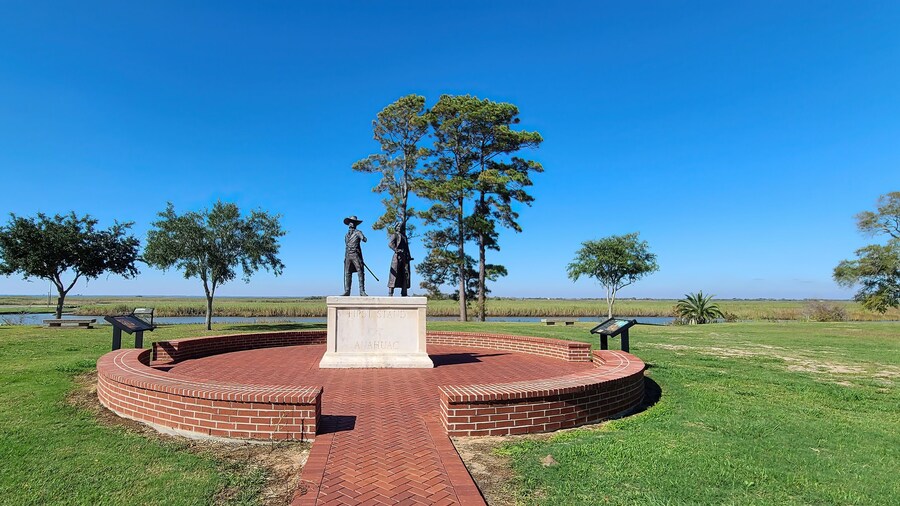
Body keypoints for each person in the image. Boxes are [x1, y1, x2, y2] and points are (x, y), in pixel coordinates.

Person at [342, 215, 367, 296]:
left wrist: (362, 236)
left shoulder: (358, 232)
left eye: (353, 222)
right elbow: (346, 245)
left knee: (360, 272)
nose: (351, 224)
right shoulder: (346, 235)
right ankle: (347, 291)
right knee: (348, 273)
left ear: (355, 224)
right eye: (350, 222)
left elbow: (365, 239)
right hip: (348, 255)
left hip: (356, 255)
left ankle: (362, 291)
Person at [388, 222, 412, 296]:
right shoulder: (394, 235)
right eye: (398, 226)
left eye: (400, 226)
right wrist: (396, 249)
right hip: (397, 256)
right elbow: (390, 244)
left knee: (405, 273)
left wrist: (409, 256)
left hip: (404, 257)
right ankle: (390, 292)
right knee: (394, 273)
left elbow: (407, 247)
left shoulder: (404, 236)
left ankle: (404, 291)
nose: (399, 227)